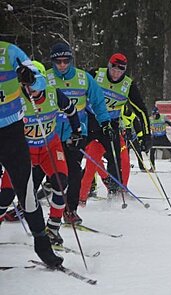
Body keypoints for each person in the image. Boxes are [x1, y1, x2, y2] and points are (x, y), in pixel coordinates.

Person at [0, 59, 81, 245]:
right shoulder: (14, 97)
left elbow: (71, 109)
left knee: (61, 182)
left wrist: (76, 132)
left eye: (34, 84)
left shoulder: (53, 93)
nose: (30, 89)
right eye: (26, 84)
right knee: (6, 194)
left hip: (49, 148)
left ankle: (53, 228)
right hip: (23, 151)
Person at [0, 41, 62, 267]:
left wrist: (30, 78)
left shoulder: (9, 52)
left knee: (26, 191)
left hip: (12, 132)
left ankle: (42, 244)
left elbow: (41, 79)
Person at [47, 41, 111, 223]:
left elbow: (98, 102)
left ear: (71, 60)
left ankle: (70, 210)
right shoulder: (45, 77)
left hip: (75, 133)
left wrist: (105, 122)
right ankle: (24, 207)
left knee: (73, 172)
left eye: (65, 61)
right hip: (50, 133)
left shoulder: (83, 78)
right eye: (58, 61)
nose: (62, 65)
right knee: (43, 171)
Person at [80, 53, 151, 200]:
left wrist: (146, 134)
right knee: (79, 152)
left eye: (120, 71)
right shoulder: (95, 74)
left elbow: (141, 110)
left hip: (110, 124)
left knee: (115, 158)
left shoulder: (128, 85)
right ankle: (72, 188)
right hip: (90, 119)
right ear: (109, 65)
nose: (116, 74)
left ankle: (114, 192)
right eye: (113, 69)